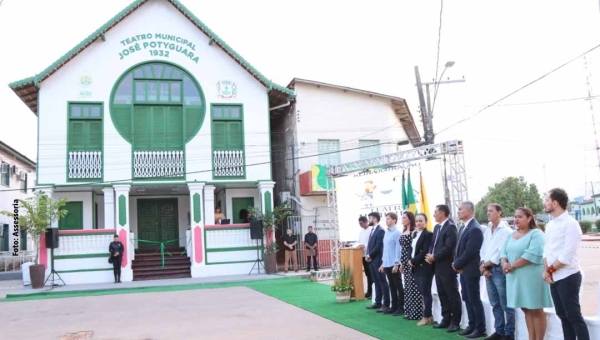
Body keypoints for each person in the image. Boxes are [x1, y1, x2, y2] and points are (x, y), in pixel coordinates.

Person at [543, 188, 590, 340]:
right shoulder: (550, 225)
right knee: (562, 316)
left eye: (547, 200)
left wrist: (549, 271)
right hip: (553, 277)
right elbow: (546, 251)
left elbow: (566, 256)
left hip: (568, 276)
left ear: (555, 203)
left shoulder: (571, 224)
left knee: (574, 316)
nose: (545, 203)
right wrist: (547, 271)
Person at [500, 207, 552, 340]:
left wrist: (511, 265)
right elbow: (503, 251)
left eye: (520, 216)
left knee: (535, 309)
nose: (516, 219)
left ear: (529, 218)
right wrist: (504, 263)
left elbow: (531, 254)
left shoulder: (536, 234)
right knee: (526, 309)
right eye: (515, 216)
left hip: (531, 277)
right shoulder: (512, 234)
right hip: (515, 277)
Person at [480, 204, 515, 340]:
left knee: (506, 304)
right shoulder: (488, 230)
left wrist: (485, 266)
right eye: (487, 211)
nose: (488, 213)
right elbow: (483, 250)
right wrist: (483, 266)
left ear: (499, 213)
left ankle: (509, 334)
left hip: (498, 270)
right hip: (488, 271)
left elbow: (501, 253)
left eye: (491, 211)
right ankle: (499, 331)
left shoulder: (506, 231)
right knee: (495, 303)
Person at [453, 201, 486, 339]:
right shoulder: (463, 227)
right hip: (463, 269)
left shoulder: (475, 228)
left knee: (474, 299)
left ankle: (480, 328)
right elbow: (458, 249)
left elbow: (470, 251)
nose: (458, 211)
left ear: (468, 211)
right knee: (466, 298)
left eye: (460, 209)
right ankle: (472, 325)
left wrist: (457, 264)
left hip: (471, 270)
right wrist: (457, 263)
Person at [426, 204, 461, 333]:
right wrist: (430, 255)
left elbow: (449, 247)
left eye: (435, 212)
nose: (434, 214)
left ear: (442, 213)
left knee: (452, 294)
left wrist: (434, 256)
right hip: (437, 266)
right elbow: (433, 244)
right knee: (442, 293)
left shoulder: (451, 227)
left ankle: (455, 321)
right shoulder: (437, 227)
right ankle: (446, 319)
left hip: (447, 266)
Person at [409, 213, 434, 326]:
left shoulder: (428, 235)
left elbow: (424, 251)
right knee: (422, 291)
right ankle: (428, 316)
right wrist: (410, 260)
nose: (418, 223)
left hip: (424, 267)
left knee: (425, 292)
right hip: (416, 267)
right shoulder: (415, 234)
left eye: (421, 221)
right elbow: (413, 249)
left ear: (426, 222)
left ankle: (427, 316)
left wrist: (413, 261)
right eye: (417, 221)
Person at [379, 212, 403, 315]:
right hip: (387, 263)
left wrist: (396, 263)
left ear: (394, 220)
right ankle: (394, 306)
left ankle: (401, 307)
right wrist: (383, 263)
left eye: (388, 219)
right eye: (386, 219)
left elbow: (398, 248)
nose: (386, 220)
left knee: (398, 285)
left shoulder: (396, 232)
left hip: (394, 263)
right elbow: (385, 249)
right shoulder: (387, 232)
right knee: (391, 286)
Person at [400, 211, 423, 320]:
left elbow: (414, 248)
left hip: (411, 261)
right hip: (404, 261)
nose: (403, 219)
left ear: (410, 219)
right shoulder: (404, 231)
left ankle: (416, 313)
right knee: (407, 287)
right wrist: (401, 263)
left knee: (414, 287)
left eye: (404, 218)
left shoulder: (414, 232)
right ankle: (408, 311)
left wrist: (411, 260)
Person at [365, 212, 389, 312]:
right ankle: (378, 302)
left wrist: (370, 255)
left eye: (370, 218)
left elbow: (379, 246)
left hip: (378, 260)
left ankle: (386, 303)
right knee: (376, 282)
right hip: (372, 260)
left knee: (382, 282)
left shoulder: (380, 231)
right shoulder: (373, 230)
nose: (369, 220)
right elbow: (370, 245)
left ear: (375, 219)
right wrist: (367, 255)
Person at [354, 216, 374, 298]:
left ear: (366, 222)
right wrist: (356, 245)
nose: (360, 225)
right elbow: (359, 241)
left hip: (369, 255)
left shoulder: (371, 230)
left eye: (361, 223)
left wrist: (364, 245)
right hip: (362, 254)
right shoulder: (361, 231)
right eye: (359, 224)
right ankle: (369, 291)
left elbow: (371, 242)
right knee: (367, 274)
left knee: (371, 274)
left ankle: (373, 292)